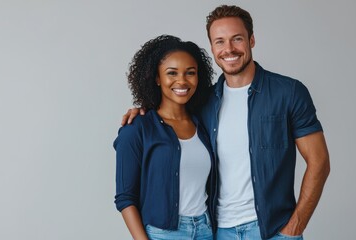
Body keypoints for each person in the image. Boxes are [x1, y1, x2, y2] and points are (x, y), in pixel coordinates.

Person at [122, 5, 330, 240]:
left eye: (237, 39)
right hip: (217, 232)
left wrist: (293, 229)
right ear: (212, 47)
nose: (228, 49)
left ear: (251, 40)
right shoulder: (203, 103)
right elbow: (170, 111)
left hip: (273, 231)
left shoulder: (289, 92)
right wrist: (143, 111)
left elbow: (319, 161)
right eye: (219, 41)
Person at [114, 35, 217, 240]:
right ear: (157, 78)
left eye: (190, 73)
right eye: (172, 73)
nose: (182, 81)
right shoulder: (137, 128)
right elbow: (125, 198)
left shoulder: (204, 125)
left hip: (205, 230)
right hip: (163, 234)